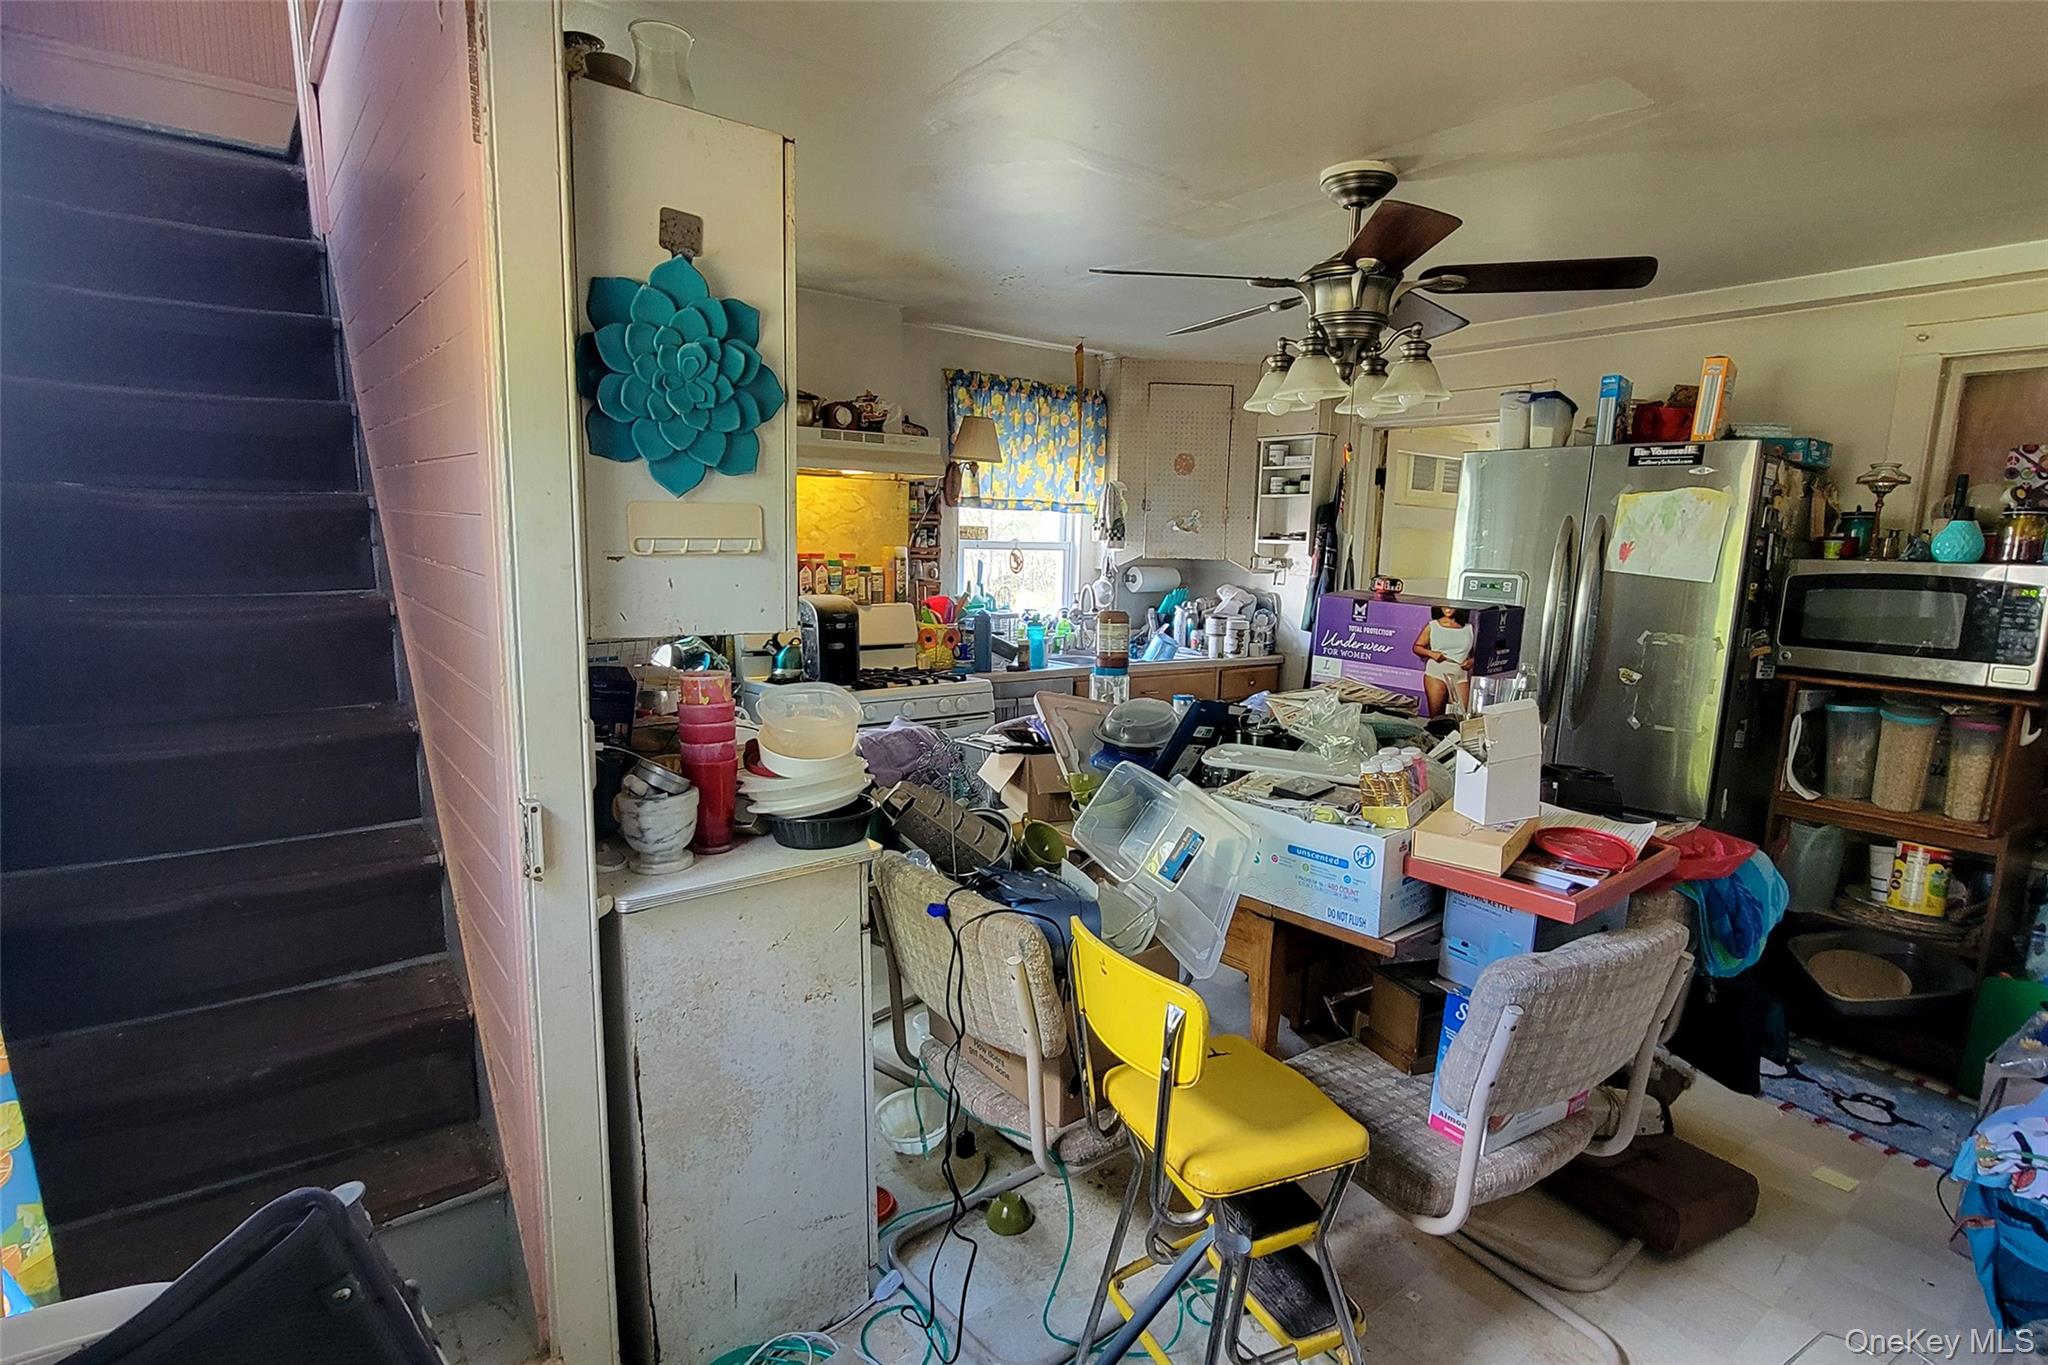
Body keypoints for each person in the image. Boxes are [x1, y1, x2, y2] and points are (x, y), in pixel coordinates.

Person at [1412, 604, 1475, 714]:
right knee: (1437, 716)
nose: (1447, 608)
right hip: (1437, 672)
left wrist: (1472, 661)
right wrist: (1431, 653)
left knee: (1462, 716)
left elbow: (1478, 653)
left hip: (1460, 673)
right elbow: (1417, 647)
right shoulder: (1433, 626)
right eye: (1443, 605)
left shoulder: (1469, 628)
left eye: (1452, 605)